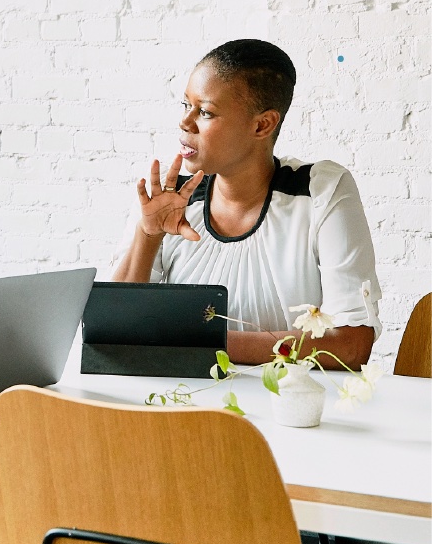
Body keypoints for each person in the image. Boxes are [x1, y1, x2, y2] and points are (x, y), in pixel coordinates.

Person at [112, 39, 381, 370]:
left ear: (262, 125)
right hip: (180, 406)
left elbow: (352, 344)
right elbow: (112, 334)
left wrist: (196, 339)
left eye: (206, 112)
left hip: (283, 412)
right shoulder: (171, 198)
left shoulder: (319, 191)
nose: (186, 122)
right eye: (186, 105)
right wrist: (148, 235)